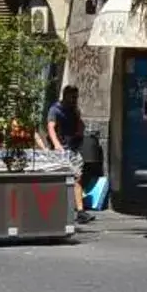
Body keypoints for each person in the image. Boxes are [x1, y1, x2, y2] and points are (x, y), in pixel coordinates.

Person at [45, 83, 89, 224]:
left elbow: (79, 123)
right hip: (61, 150)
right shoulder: (55, 110)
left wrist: (80, 131)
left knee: (77, 177)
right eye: (72, 97)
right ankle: (56, 209)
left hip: (72, 149)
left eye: (76, 97)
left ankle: (80, 211)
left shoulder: (74, 110)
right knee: (61, 179)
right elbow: (50, 127)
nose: (74, 100)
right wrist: (57, 145)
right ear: (65, 96)